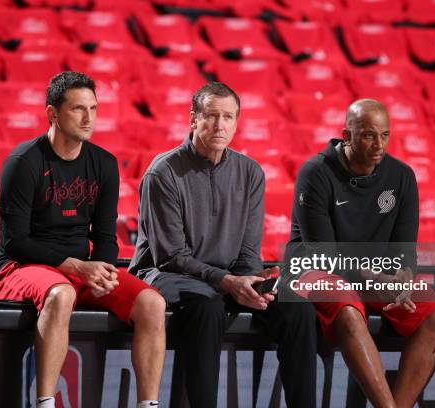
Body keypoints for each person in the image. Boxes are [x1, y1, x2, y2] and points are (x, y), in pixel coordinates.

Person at [129, 82, 317, 407]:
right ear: (193, 119)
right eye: (211, 115)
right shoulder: (162, 173)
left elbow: (247, 253)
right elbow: (170, 256)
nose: (220, 125)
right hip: (165, 275)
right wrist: (227, 282)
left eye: (228, 117)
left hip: (228, 278)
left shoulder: (250, 173)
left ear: (236, 122)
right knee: (207, 305)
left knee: (295, 307)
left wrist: (250, 283)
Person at [0, 71, 165, 408]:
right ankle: (45, 402)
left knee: (153, 303)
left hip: (78, 269)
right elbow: (14, 241)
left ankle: (148, 404)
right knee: (61, 294)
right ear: (52, 114)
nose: (89, 118)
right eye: (77, 109)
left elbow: (104, 235)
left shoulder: (104, 164)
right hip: (20, 266)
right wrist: (75, 266)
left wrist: (103, 271)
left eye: (94, 109)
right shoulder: (23, 162)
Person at [288, 99, 435, 408]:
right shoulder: (315, 172)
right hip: (316, 271)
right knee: (349, 313)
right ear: (347, 135)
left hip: (375, 275)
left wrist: (403, 278)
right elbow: (324, 255)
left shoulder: (402, 176)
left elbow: (404, 251)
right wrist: (379, 278)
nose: (379, 144)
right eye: (368, 135)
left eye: (385, 135)